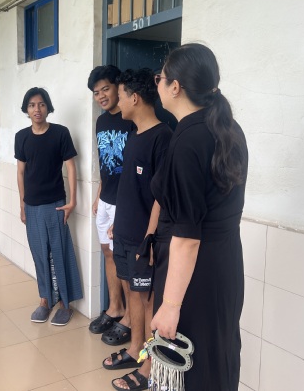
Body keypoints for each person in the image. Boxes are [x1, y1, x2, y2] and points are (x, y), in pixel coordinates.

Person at [147, 43, 248, 391]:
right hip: (225, 264)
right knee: (217, 352)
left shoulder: (188, 139)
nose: (158, 84)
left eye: (160, 77)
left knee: (189, 365)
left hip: (193, 274)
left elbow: (188, 237)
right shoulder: (230, 129)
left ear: (175, 87)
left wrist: (170, 305)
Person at [103, 69, 172, 389]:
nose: (117, 102)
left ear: (135, 98)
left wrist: (150, 238)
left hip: (145, 237)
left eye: (120, 96)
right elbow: (130, 187)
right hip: (125, 231)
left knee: (146, 299)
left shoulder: (163, 137)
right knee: (132, 291)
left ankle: (148, 365)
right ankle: (134, 349)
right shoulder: (133, 135)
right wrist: (118, 221)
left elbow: (161, 196)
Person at [15, 87, 83, 326]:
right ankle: (45, 300)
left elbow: (71, 167)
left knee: (59, 252)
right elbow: (20, 172)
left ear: (48, 107)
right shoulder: (21, 137)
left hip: (56, 204)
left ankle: (65, 304)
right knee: (39, 254)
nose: (37, 109)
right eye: (32, 105)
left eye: (41, 104)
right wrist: (22, 204)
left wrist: (72, 201)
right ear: (27, 109)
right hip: (32, 206)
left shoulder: (60, 133)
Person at [87, 65, 134, 338]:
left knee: (122, 258)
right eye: (96, 92)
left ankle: (131, 316)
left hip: (124, 202)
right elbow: (106, 163)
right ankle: (115, 307)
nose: (101, 96)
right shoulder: (101, 122)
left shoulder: (131, 118)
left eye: (105, 89)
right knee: (107, 253)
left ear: (118, 87)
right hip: (105, 200)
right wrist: (98, 195)